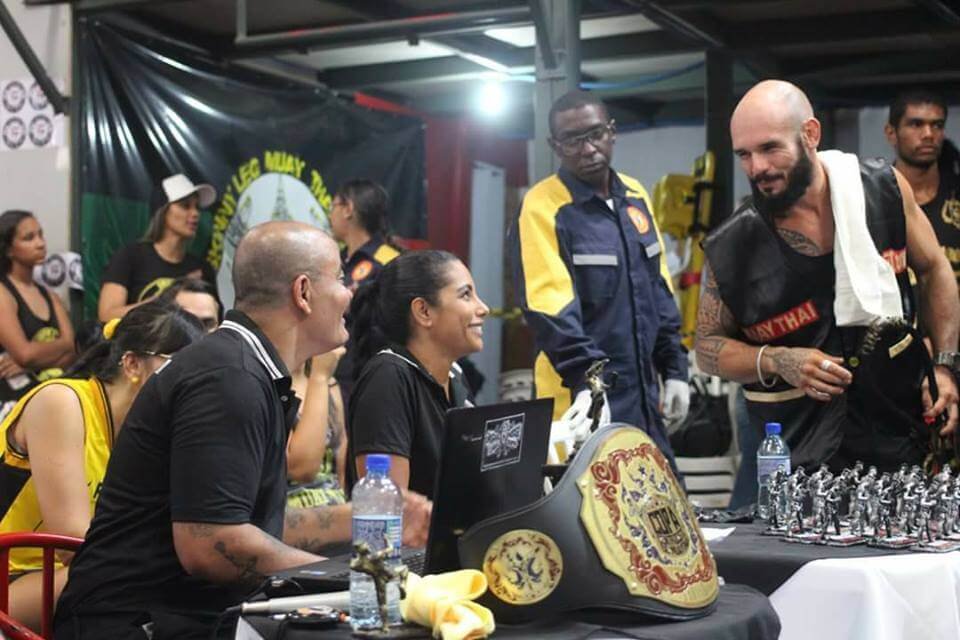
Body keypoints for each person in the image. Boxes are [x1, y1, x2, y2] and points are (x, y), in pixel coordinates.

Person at [54, 222, 431, 639]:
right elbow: (209, 546)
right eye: (340, 279)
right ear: (303, 292)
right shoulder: (229, 378)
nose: (350, 294)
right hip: (132, 624)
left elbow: (244, 525)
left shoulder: (245, 368)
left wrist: (354, 520)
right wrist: (350, 577)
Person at [695, 79, 960, 475]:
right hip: (798, 446)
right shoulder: (733, 245)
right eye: (744, 154)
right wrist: (776, 359)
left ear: (811, 134)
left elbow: (936, 268)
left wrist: (944, 366)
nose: (757, 167)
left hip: (898, 425)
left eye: (769, 148)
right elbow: (706, 347)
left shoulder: (884, 190)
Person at [1, 300, 205, 632]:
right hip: (12, 574)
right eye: (178, 369)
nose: (191, 386)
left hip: (67, 578)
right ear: (132, 364)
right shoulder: (62, 401)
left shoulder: (150, 435)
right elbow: (71, 541)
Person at [510, 90, 690, 465]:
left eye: (595, 134)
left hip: (643, 400)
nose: (588, 148)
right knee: (589, 499)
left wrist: (675, 369)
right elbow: (549, 307)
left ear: (612, 132)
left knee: (661, 495)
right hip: (578, 402)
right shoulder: (543, 206)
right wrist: (587, 380)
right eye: (572, 140)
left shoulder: (636, 196)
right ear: (555, 146)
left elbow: (659, 290)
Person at [346, 250, 489, 497]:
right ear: (423, 311)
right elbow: (389, 507)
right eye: (466, 295)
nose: (483, 308)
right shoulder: (387, 378)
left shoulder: (455, 375)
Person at [97, 173, 218, 322]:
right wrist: (165, 299)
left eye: (197, 207)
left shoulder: (202, 269)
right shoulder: (130, 257)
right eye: (185, 206)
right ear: (163, 211)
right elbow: (107, 315)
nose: (195, 213)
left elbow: (215, 319)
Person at [0, 210, 75, 412]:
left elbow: (72, 350)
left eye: (41, 235)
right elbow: (24, 354)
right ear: (9, 250)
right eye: (29, 238)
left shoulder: (51, 296)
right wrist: (60, 347)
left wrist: (33, 363)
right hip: (14, 405)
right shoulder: (3, 293)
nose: (40, 243)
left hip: (52, 400)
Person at [885, 90, 960, 287]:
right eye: (916, 124)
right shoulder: (872, 200)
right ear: (891, 133)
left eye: (937, 125)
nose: (928, 134)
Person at [286, 346, 349, 507]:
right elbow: (300, 469)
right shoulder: (269, 384)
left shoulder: (330, 384)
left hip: (334, 508)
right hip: (290, 510)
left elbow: (341, 466)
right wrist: (319, 377)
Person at [329, 179, 401, 291]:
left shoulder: (389, 262)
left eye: (333, 207)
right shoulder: (337, 259)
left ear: (348, 209)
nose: (330, 216)